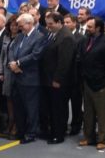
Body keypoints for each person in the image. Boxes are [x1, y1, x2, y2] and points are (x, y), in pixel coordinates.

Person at [78, 16, 105, 150]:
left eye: (90, 27)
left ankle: (102, 139)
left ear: (98, 28)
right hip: (87, 82)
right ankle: (88, 137)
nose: (87, 29)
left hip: (101, 85)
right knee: (88, 112)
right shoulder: (85, 40)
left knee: (102, 114)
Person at [8, 13, 46, 144]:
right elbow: (11, 50)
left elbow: (36, 55)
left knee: (31, 109)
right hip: (17, 78)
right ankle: (21, 131)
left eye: (21, 25)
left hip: (30, 79)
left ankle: (31, 134)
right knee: (18, 108)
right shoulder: (19, 36)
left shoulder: (39, 37)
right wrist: (13, 63)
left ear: (29, 24)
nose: (19, 27)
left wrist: (18, 63)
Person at [42, 13, 76, 144]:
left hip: (59, 82)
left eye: (51, 24)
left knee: (59, 109)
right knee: (53, 108)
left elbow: (64, 62)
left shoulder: (66, 37)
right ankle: (54, 131)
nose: (48, 26)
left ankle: (58, 135)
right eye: (47, 23)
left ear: (59, 22)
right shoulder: (55, 34)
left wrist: (57, 79)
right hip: (50, 79)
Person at [64, 14, 85, 135]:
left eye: (68, 22)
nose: (66, 25)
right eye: (65, 23)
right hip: (64, 76)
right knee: (64, 102)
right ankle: (65, 123)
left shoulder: (80, 38)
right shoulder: (63, 36)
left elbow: (79, 56)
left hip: (76, 76)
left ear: (74, 23)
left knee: (76, 103)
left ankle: (76, 125)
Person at [0, 15, 19, 139]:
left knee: (16, 100)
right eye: (12, 25)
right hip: (6, 74)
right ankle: (10, 123)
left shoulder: (21, 38)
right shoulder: (6, 37)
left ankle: (15, 125)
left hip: (17, 73)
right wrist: (1, 72)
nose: (14, 27)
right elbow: (2, 56)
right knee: (8, 100)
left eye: (16, 25)